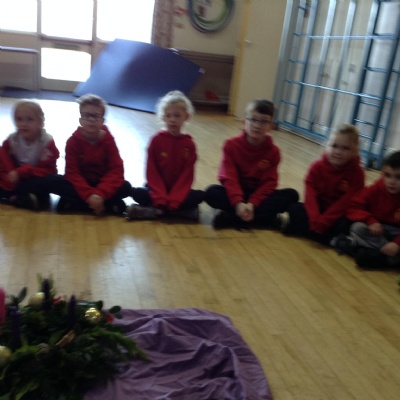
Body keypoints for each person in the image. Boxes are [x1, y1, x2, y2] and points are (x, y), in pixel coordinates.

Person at [204, 98, 298, 229]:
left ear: (271, 127)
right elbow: (229, 178)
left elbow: (269, 183)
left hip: (259, 196)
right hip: (236, 192)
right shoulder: (231, 145)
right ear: (244, 122)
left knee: (291, 195)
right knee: (211, 192)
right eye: (253, 119)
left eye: (264, 121)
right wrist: (238, 203)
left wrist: (252, 204)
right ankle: (264, 220)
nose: (257, 125)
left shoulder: (274, 152)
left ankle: (232, 218)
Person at [277, 124, 365, 244]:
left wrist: (324, 221)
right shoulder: (317, 167)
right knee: (294, 209)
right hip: (318, 211)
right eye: (334, 146)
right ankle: (331, 240)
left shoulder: (357, 173)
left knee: (348, 224)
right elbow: (310, 196)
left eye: (346, 148)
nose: (338, 152)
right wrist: (315, 219)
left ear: (355, 151)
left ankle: (302, 230)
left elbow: (346, 203)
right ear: (327, 145)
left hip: (337, 215)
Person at [126, 90, 204, 221]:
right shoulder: (156, 141)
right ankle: (177, 212)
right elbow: (152, 172)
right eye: (169, 116)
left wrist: (175, 199)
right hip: (156, 190)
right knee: (135, 192)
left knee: (200, 195)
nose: (172, 120)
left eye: (177, 116)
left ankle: (155, 211)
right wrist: (160, 197)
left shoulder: (189, 144)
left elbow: (187, 176)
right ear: (163, 117)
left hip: (179, 190)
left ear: (186, 117)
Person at [49, 94, 131, 215]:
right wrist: (89, 194)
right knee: (52, 181)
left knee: (126, 187)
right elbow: (72, 173)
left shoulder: (108, 140)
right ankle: (105, 205)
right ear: (80, 120)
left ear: (102, 120)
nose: (91, 120)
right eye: (87, 115)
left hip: (101, 183)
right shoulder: (72, 142)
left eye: (96, 116)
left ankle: (78, 204)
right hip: (81, 185)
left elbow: (116, 170)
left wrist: (100, 193)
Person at [334, 151, 400, 269]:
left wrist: (397, 244)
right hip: (378, 231)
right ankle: (390, 256)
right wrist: (371, 221)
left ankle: (367, 251)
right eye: (387, 175)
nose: (391, 181)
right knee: (357, 228)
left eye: (398, 177)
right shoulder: (375, 189)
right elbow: (353, 206)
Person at [0, 100, 59, 210]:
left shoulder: (46, 142)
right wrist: (11, 171)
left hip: (35, 174)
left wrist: (21, 172)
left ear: (41, 123)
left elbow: (47, 170)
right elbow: (3, 156)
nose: (24, 124)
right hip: (16, 176)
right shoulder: (13, 139)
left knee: (48, 181)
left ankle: (18, 196)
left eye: (29, 119)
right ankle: (19, 197)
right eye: (19, 119)